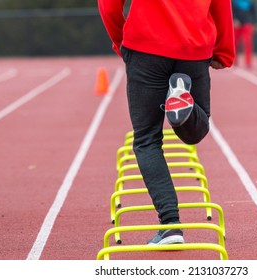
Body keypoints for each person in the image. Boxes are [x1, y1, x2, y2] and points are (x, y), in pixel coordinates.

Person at [98, 0, 235, 245]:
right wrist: (224, 50)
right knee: (194, 132)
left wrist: (121, 41)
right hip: (194, 46)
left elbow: (108, 6)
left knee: (147, 140)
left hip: (145, 47)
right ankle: (184, 106)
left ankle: (170, 224)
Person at [232, 0, 257, 68]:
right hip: (237, 24)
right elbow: (231, 11)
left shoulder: (250, 2)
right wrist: (234, 20)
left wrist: (256, 23)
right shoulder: (234, 2)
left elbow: (254, 13)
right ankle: (234, 60)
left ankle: (248, 62)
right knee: (235, 43)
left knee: (248, 43)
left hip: (247, 23)